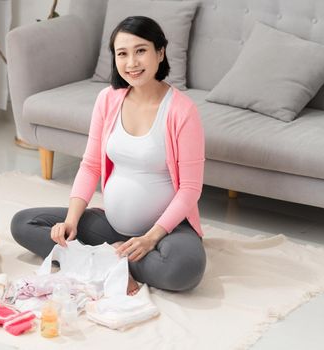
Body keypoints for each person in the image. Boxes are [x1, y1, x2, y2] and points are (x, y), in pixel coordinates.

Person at [11, 16, 206, 295]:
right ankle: (113, 258)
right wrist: (72, 221)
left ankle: (100, 259)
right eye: (122, 54)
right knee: (23, 223)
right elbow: (90, 166)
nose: (132, 63)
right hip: (111, 227)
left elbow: (189, 189)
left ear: (160, 52)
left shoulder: (182, 111)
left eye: (141, 51)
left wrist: (150, 239)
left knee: (183, 270)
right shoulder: (109, 99)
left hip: (165, 232)